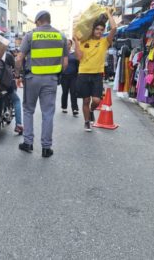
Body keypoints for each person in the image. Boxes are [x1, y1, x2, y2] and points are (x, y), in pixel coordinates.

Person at [16, 10, 68, 158]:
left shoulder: (31, 35)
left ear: (38, 21)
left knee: (28, 110)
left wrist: (17, 74)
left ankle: (28, 143)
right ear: (49, 20)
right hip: (51, 80)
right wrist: (56, 74)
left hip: (32, 78)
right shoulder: (61, 36)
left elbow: (19, 58)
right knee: (47, 113)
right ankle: (46, 148)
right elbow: (65, 63)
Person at [73, 9, 117, 132]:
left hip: (97, 74)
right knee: (86, 100)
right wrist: (76, 42)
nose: (99, 31)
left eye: (102, 30)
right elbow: (78, 57)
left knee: (96, 100)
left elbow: (114, 29)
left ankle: (92, 110)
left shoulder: (104, 42)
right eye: (97, 29)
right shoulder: (84, 41)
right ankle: (87, 121)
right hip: (83, 73)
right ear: (93, 30)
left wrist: (109, 14)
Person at [60, 39, 79, 116]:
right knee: (65, 92)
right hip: (64, 76)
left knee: (73, 92)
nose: (67, 45)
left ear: (71, 45)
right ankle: (64, 107)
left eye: (69, 44)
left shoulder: (74, 53)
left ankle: (75, 109)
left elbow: (78, 64)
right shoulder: (61, 54)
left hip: (74, 76)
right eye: (66, 44)